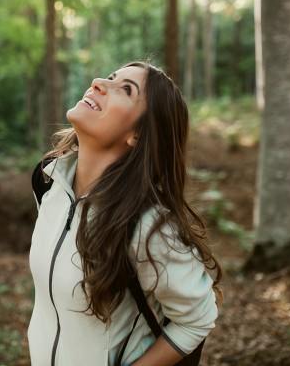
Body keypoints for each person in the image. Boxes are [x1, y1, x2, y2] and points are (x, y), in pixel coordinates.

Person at [28, 61, 223, 366]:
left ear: (138, 134)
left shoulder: (149, 225)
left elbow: (196, 320)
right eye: (110, 77)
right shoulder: (49, 183)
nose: (97, 82)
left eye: (126, 89)